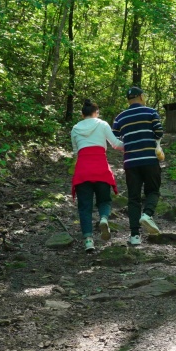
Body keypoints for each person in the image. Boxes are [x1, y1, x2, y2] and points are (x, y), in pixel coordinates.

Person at [112, 86, 164, 245]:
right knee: (153, 191)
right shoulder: (151, 112)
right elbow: (159, 133)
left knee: (133, 198)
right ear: (141, 97)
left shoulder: (120, 117)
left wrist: (129, 144)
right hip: (149, 159)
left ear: (128, 99)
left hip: (130, 163)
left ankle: (134, 236)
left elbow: (115, 138)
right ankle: (147, 215)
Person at [71, 100, 124, 252]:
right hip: (101, 167)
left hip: (83, 169)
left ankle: (88, 241)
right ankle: (104, 219)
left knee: (84, 207)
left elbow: (76, 152)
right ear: (97, 112)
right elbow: (116, 144)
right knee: (104, 200)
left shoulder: (75, 128)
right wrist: (131, 146)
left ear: (82, 114)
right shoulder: (102, 124)